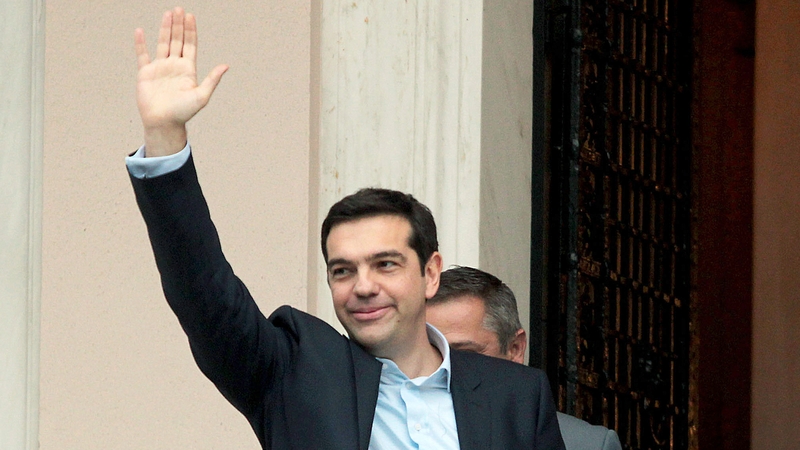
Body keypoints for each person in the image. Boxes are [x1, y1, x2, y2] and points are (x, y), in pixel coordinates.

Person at [127, 7, 565, 449]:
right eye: (342, 270)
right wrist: (165, 138)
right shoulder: (294, 372)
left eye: (386, 264)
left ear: (431, 272)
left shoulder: (516, 396)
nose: (363, 286)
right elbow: (204, 294)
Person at [427, 266, 623, 450]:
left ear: (515, 349)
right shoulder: (402, 428)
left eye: (466, 355)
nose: (445, 366)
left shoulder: (588, 445)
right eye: (434, 352)